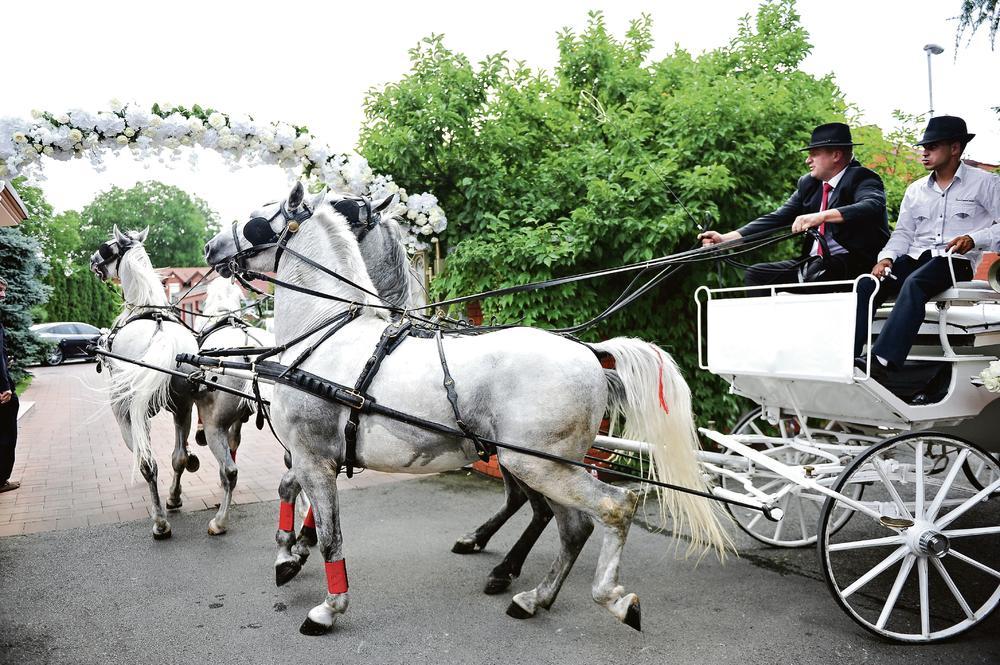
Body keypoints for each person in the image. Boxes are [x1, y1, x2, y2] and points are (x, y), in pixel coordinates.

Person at [865, 116, 1000, 375]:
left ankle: (883, 361)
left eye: (933, 146)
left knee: (915, 283)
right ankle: (849, 353)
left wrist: (974, 239)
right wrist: (886, 258)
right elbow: (903, 233)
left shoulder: (986, 183)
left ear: (955, 148)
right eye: (923, 146)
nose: (924, 152)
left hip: (954, 262)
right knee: (868, 284)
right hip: (917, 256)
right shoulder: (915, 190)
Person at [699, 122, 889, 286]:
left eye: (814, 154)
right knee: (757, 274)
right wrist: (725, 239)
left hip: (857, 266)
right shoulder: (809, 184)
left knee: (820, 272)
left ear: (836, 155)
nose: (808, 160)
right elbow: (777, 218)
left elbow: (871, 205)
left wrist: (822, 216)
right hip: (815, 264)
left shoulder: (862, 177)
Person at [0, 276, 19, 493]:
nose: (3, 294)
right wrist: (4, 386)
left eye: (4, 290)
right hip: (2, 389)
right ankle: (1, 479)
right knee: (6, 435)